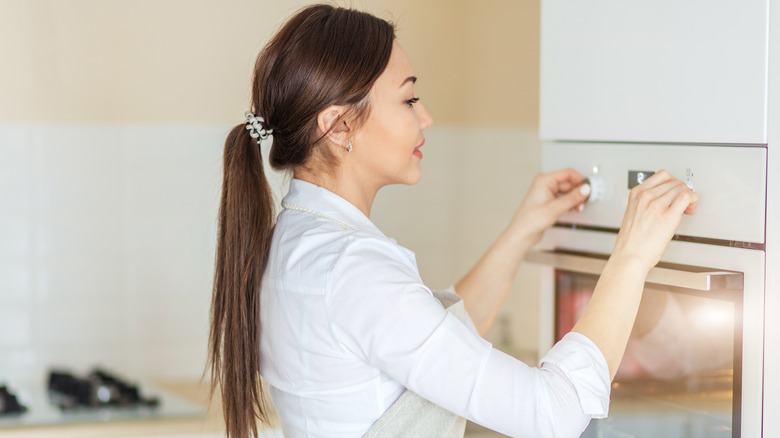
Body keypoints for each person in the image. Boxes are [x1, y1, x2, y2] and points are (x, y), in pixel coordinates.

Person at [207, 4, 698, 438]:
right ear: (339, 126)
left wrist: (526, 227)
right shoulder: (351, 268)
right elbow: (553, 412)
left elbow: (436, 344)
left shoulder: (298, 244)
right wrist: (631, 258)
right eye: (408, 99)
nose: (427, 118)